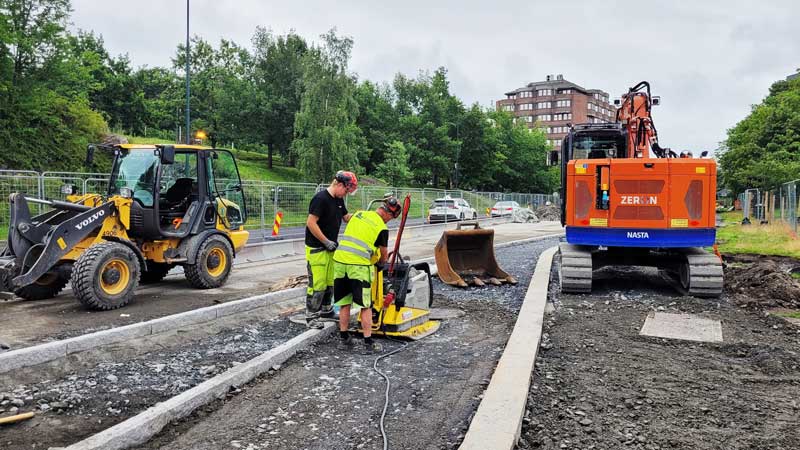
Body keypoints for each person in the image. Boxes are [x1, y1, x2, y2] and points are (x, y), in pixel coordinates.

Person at [333, 197, 402, 353]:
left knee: (344, 303)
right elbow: (384, 255)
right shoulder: (381, 228)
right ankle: (368, 344)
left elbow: (349, 221)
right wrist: (380, 264)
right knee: (366, 306)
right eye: (390, 218)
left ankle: (344, 339)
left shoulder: (359, 214)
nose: (389, 221)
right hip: (358, 266)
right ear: (389, 214)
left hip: (340, 262)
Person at [304, 171, 358, 329]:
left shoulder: (339, 200)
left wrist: (360, 216)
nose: (346, 194)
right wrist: (325, 241)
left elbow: (346, 217)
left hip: (330, 248)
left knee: (330, 282)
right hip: (317, 249)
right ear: (339, 184)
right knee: (317, 284)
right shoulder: (320, 199)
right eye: (346, 190)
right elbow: (311, 223)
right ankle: (312, 316)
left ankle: (326, 310)